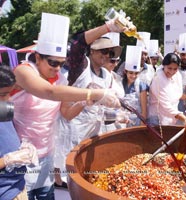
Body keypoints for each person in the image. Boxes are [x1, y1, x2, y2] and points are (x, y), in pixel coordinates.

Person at [11, 12, 122, 199]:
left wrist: (84, 102)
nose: (56, 68)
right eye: (52, 62)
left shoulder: (60, 78)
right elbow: (48, 92)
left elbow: (66, 113)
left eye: (61, 63)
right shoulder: (24, 72)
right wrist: (94, 93)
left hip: (46, 155)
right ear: (38, 57)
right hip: (22, 157)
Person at [53, 18, 127, 188]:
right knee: (68, 180)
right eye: (103, 51)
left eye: (110, 52)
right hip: (72, 127)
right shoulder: (81, 66)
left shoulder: (107, 75)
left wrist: (116, 115)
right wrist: (107, 28)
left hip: (92, 132)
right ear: (92, 51)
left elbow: (100, 107)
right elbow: (78, 43)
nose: (107, 55)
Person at [0, 64, 37, 200]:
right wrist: (7, 160)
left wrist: (23, 146)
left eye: (10, 93)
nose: (9, 99)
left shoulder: (4, 111)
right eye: (3, 94)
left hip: (18, 186)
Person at [148, 53, 186, 125]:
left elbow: (178, 94)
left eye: (175, 69)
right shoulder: (158, 79)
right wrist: (184, 118)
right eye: (169, 68)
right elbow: (165, 105)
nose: (172, 72)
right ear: (164, 65)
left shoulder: (177, 75)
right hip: (157, 118)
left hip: (171, 118)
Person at [121, 45, 148, 126]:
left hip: (136, 122)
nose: (133, 76)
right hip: (122, 121)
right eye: (131, 73)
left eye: (136, 73)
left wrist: (141, 125)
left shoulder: (141, 86)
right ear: (126, 72)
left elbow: (144, 111)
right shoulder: (120, 84)